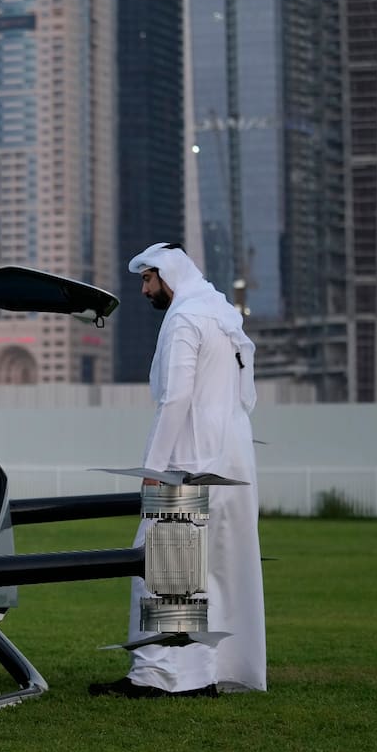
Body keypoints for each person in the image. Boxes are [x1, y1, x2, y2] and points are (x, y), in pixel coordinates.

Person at [89, 242, 267, 699]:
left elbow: (176, 399)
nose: (146, 290)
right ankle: (205, 673)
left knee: (161, 564)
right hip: (231, 455)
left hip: (189, 456)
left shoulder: (186, 318)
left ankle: (160, 677)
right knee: (213, 569)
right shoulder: (221, 313)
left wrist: (153, 468)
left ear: (168, 276)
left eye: (148, 280)